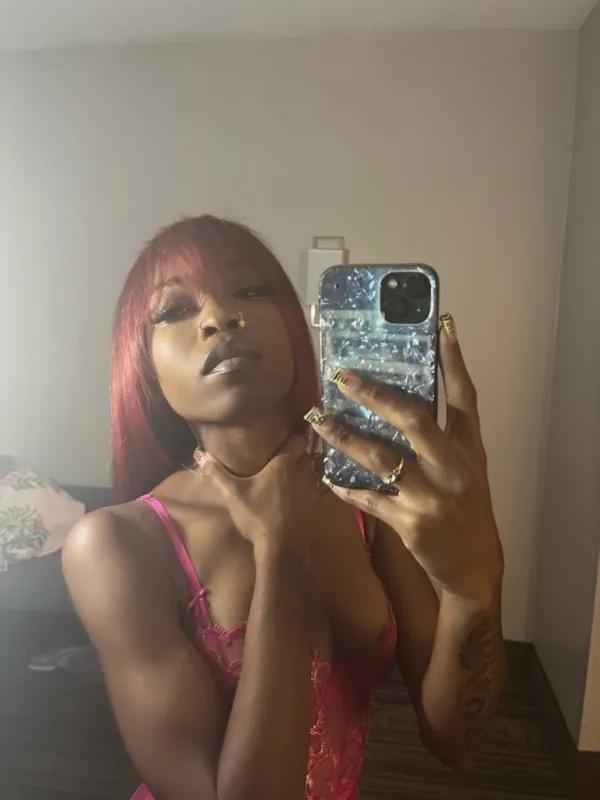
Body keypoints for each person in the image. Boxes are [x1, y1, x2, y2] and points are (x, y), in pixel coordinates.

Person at [63, 215, 506, 800]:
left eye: (250, 290)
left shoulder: (362, 498)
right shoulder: (117, 545)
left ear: (297, 329)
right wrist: (277, 549)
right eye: (174, 310)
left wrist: (475, 590)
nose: (220, 317)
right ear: (144, 365)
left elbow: (456, 743)